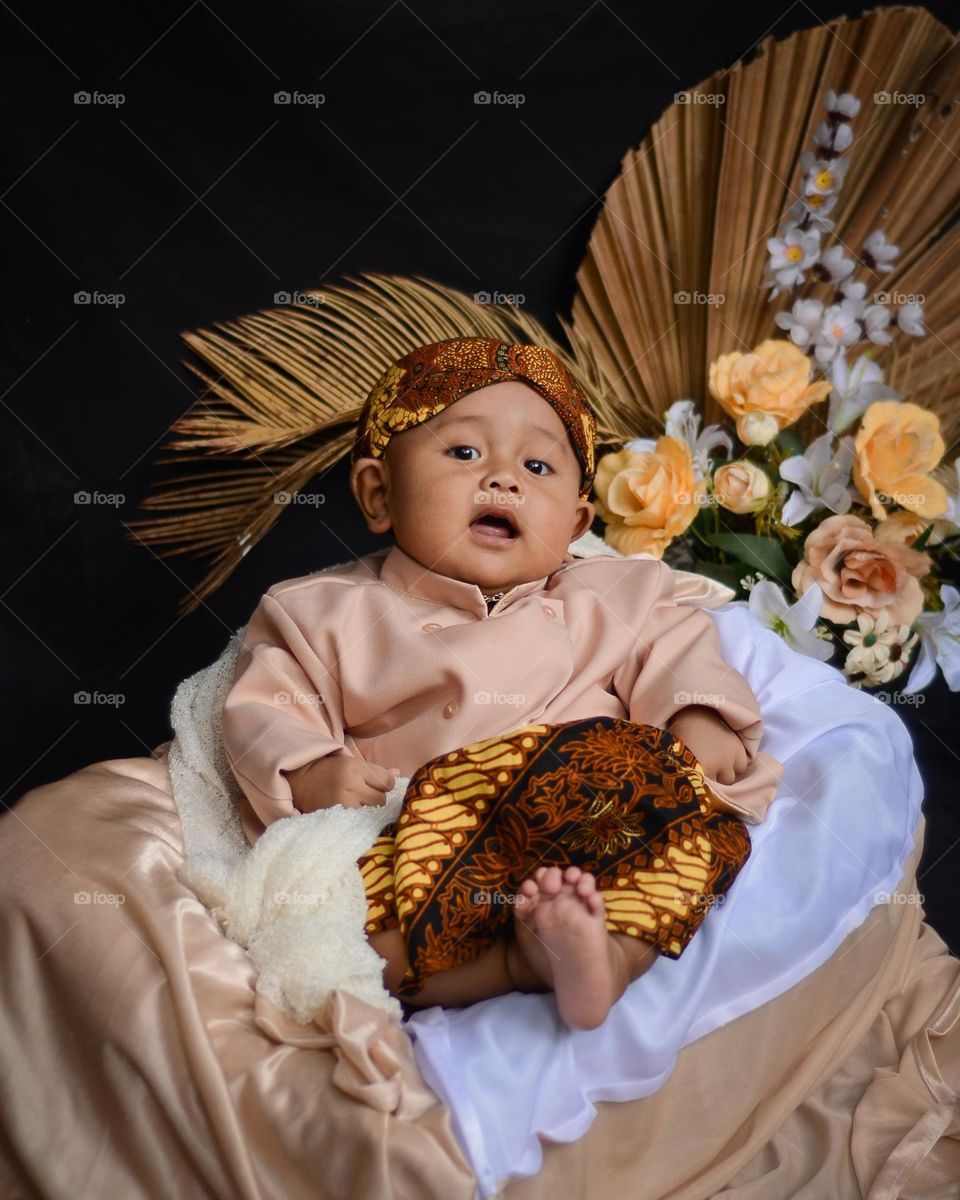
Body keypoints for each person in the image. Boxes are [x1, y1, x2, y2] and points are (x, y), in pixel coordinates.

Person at [221, 336, 782, 1030]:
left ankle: (606, 956)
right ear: (379, 493)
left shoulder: (612, 593)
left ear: (575, 524)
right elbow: (266, 703)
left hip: (585, 809)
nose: (503, 481)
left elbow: (676, 647)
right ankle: (517, 964)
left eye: (537, 466)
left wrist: (698, 714)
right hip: (428, 833)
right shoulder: (324, 611)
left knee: (691, 839)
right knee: (353, 932)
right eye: (464, 452)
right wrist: (309, 769)